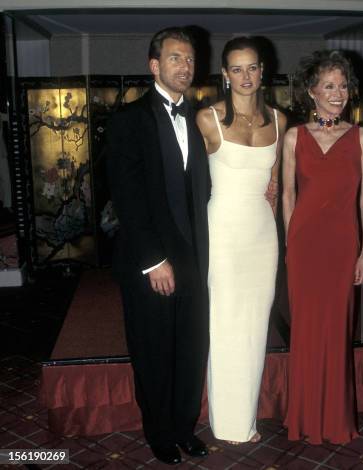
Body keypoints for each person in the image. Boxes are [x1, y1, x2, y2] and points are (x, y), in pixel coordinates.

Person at [106, 27, 210, 465]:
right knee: (153, 351)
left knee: (190, 349)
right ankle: (160, 433)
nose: (184, 66)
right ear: (154, 66)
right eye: (174, 58)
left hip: (197, 258)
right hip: (151, 262)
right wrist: (154, 261)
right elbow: (127, 199)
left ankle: (184, 427)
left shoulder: (205, 118)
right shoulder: (128, 121)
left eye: (189, 59)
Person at [196, 37, 286, 444]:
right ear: (225, 74)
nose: (245, 76)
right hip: (223, 231)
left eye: (252, 68)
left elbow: (277, 181)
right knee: (225, 323)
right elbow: (190, 184)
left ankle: (245, 417)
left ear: (262, 71)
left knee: (254, 325)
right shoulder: (207, 119)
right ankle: (227, 421)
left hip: (262, 232)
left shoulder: (280, 121)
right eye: (237, 68)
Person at [282, 50, 363, 444]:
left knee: (337, 332)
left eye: (343, 86)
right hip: (304, 246)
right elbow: (287, 193)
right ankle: (302, 418)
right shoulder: (294, 136)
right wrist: (290, 245)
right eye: (328, 86)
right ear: (311, 90)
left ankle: (334, 420)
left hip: (342, 246)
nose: (337, 93)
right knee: (304, 331)